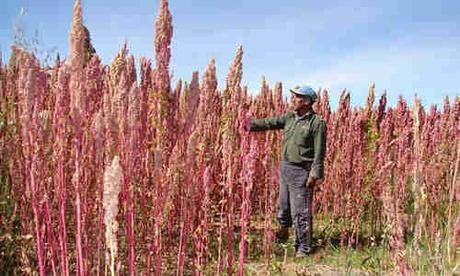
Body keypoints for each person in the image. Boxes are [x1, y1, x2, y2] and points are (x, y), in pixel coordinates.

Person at [248, 85, 326, 257]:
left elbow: (320, 152)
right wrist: (249, 125)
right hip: (285, 169)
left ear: (306, 101)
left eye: (297, 97)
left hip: (302, 172)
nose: (293, 99)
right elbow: (270, 123)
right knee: (283, 207)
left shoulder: (316, 123)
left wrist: (315, 174)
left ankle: (303, 248)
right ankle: (284, 231)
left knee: (300, 212)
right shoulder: (290, 117)